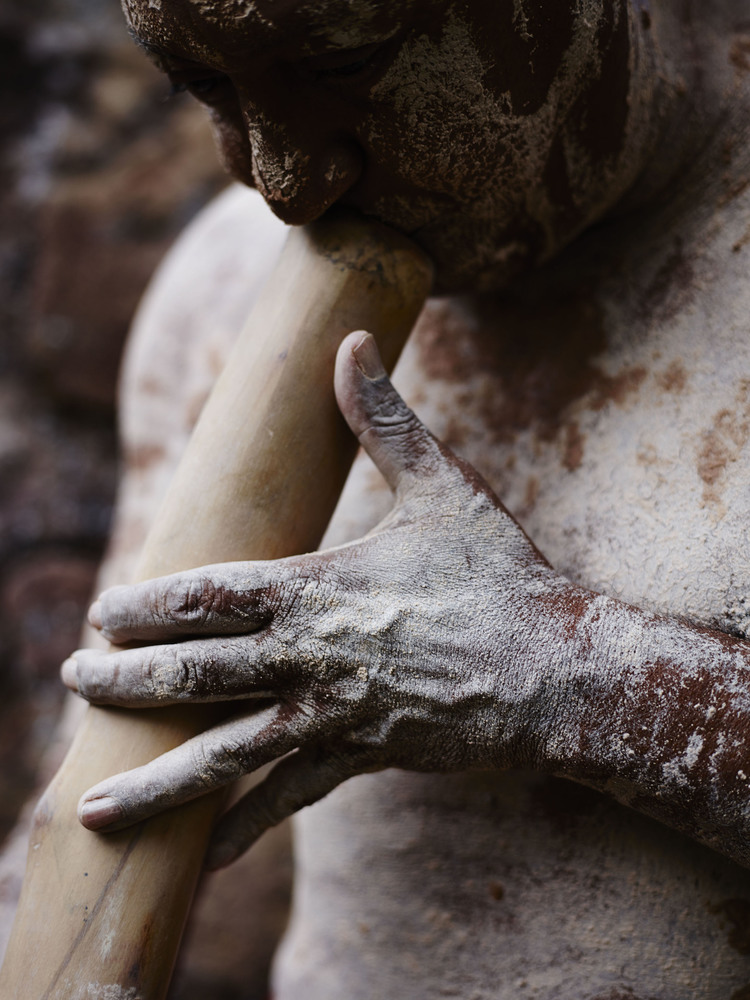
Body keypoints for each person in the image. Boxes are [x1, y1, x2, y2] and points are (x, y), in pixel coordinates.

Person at [59, 0, 750, 995]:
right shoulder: (227, 281)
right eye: (202, 85)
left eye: (349, 62)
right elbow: (158, 866)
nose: (285, 182)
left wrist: (564, 675)